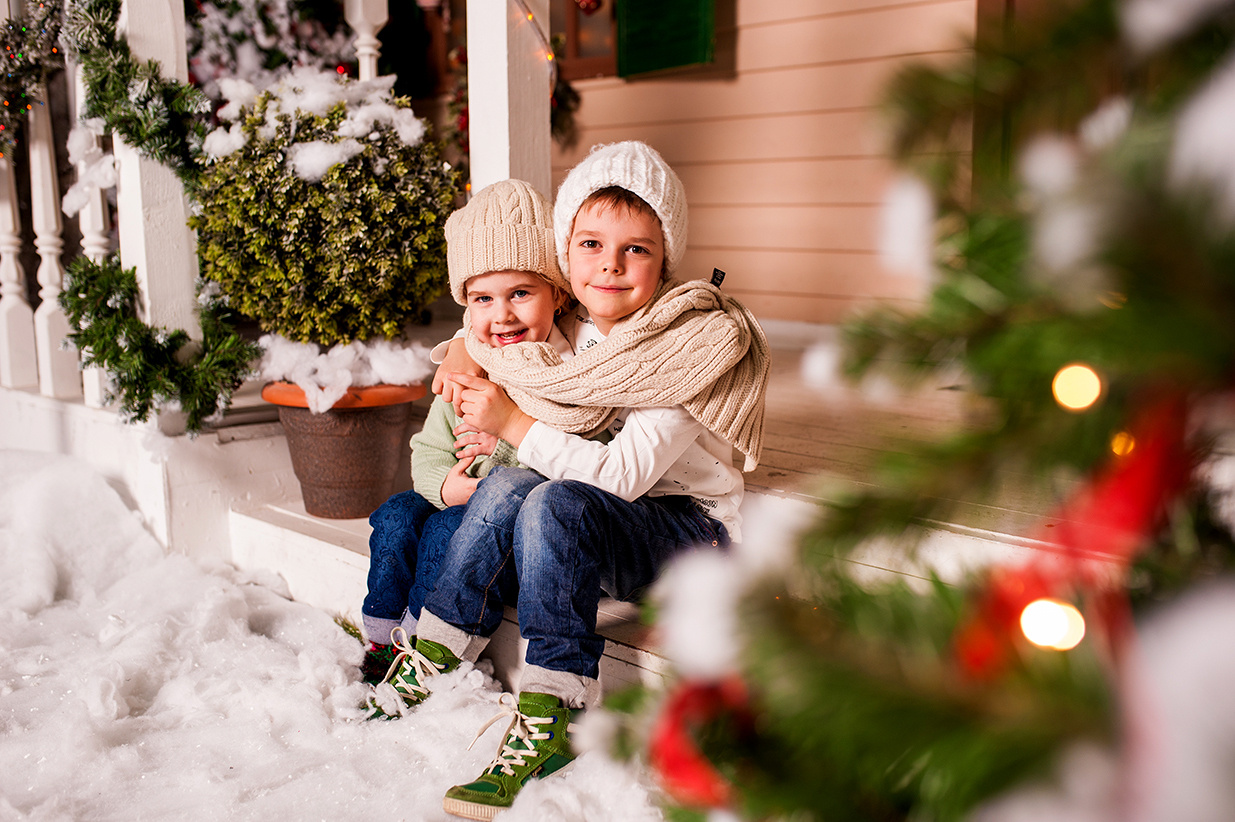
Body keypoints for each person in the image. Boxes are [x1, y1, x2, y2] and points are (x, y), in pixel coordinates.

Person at [393, 141, 771, 820]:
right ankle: (436, 651)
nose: (611, 264)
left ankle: (553, 708)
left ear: (665, 260)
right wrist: (456, 352)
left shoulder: (679, 347)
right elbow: (486, 326)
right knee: (511, 490)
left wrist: (511, 422)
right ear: (564, 259)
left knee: (554, 499)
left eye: (636, 250)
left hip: (690, 534)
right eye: (591, 243)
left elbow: (619, 477)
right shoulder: (568, 333)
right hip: (607, 525)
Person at [358, 178, 573, 702]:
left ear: (558, 294)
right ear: (466, 307)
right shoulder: (468, 369)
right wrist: (445, 487)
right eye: (483, 298)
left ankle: (419, 641)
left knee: (444, 531)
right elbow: (427, 453)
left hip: (501, 529)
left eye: (521, 293)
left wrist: (497, 451)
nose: (501, 314)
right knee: (396, 514)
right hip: (454, 494)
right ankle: (381, 638)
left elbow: (559, 460)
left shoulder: (562, 372)